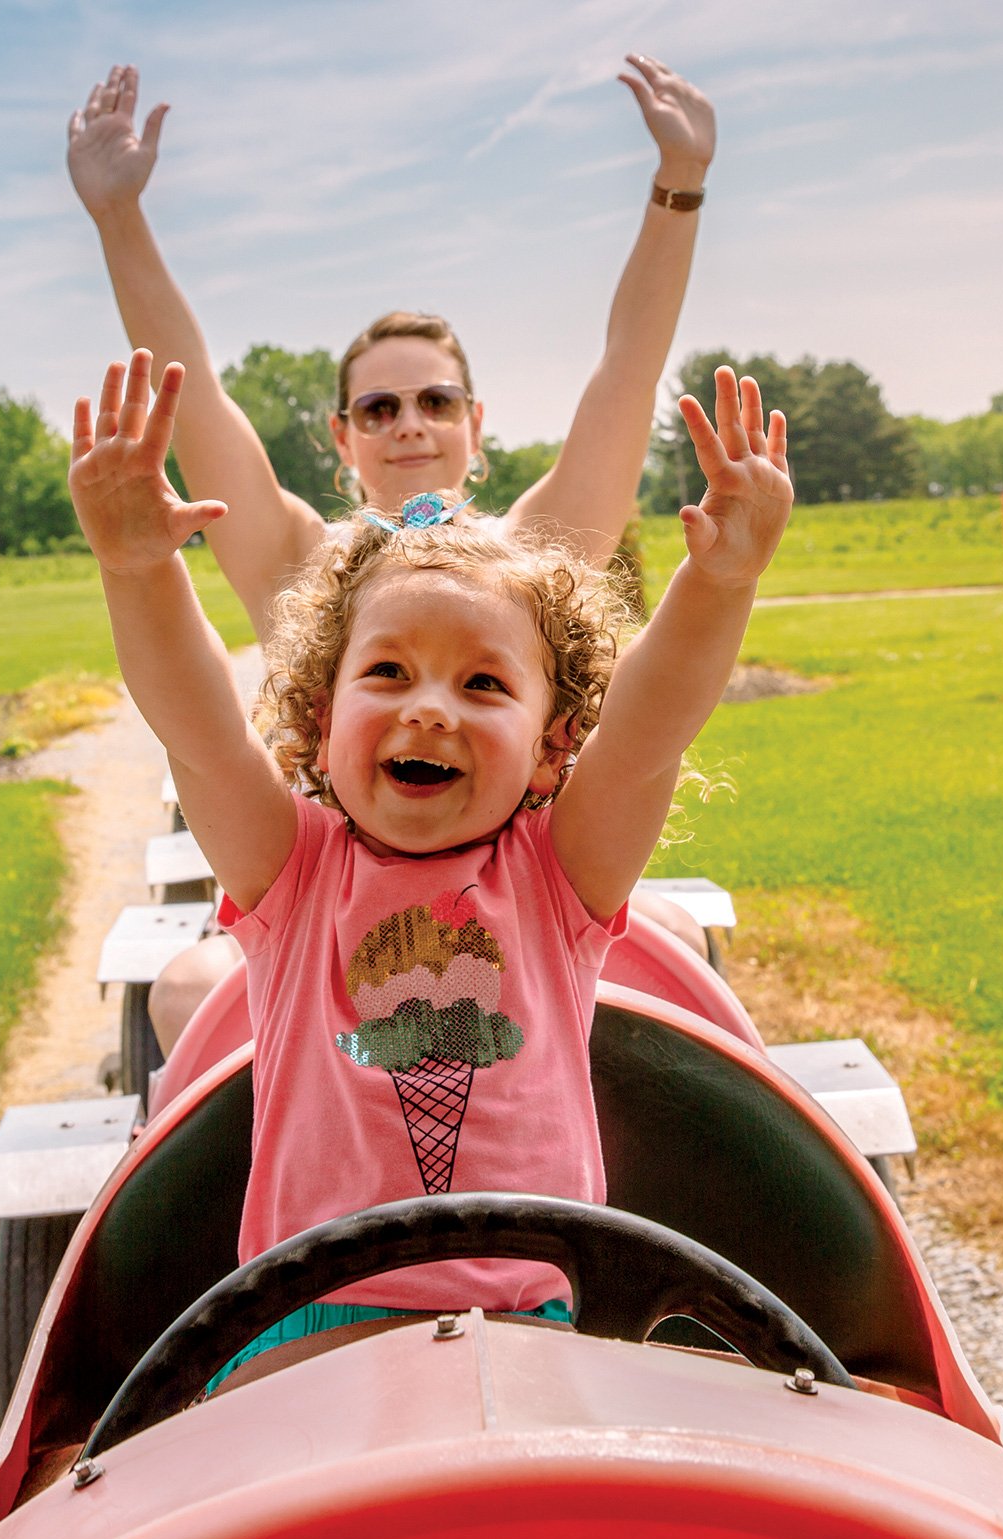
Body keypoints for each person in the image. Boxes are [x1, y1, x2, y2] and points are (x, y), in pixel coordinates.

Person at [65, 349, 791, 1383]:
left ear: (551, 748)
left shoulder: (558, 877)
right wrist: (138, 568)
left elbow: (646, 734)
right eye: (390, 671)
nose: (430, 707)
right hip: (301, 1327)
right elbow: (201, 734)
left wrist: (721, 581)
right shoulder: (295, 874)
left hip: (531, 1327)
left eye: (485, 683)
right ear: (319, 724)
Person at [67, 60, 723, 1046]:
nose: (409, 424)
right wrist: (119, 219)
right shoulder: (303, 563)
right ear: (343, 437)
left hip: (536, 897)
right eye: (380, 406)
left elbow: (627, 371)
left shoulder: (534, 558)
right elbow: (193, 390)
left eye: (434, 400)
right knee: (189, 990)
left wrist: (679, 186)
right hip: (325, 897)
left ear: (475, 423)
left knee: (676, 941)